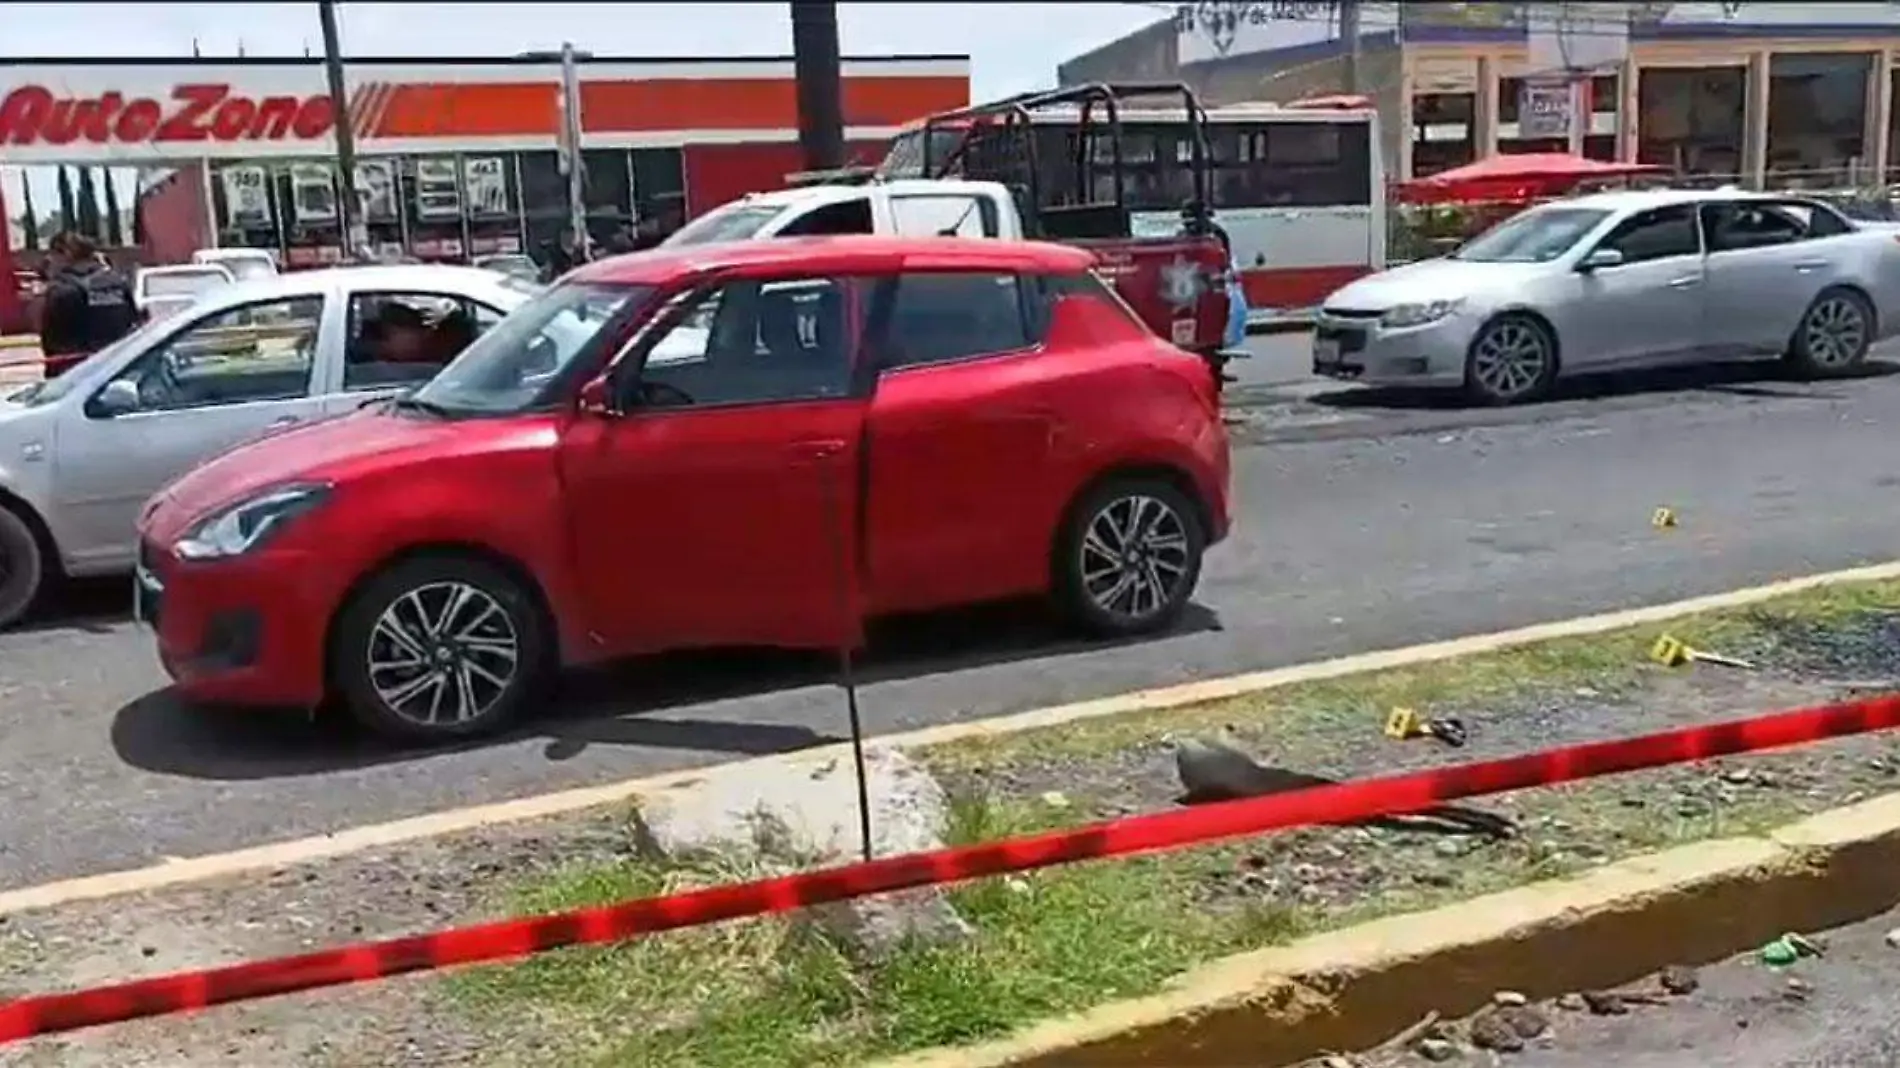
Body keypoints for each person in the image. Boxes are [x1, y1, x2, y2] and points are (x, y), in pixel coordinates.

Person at [37, 232, 139, 379]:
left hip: (76, 373)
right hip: (119, 366)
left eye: (52, 255)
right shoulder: (116, 282)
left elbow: (52, 338)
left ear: (65, 254)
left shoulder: (63, 289)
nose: (50, 261)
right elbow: (132, 321)